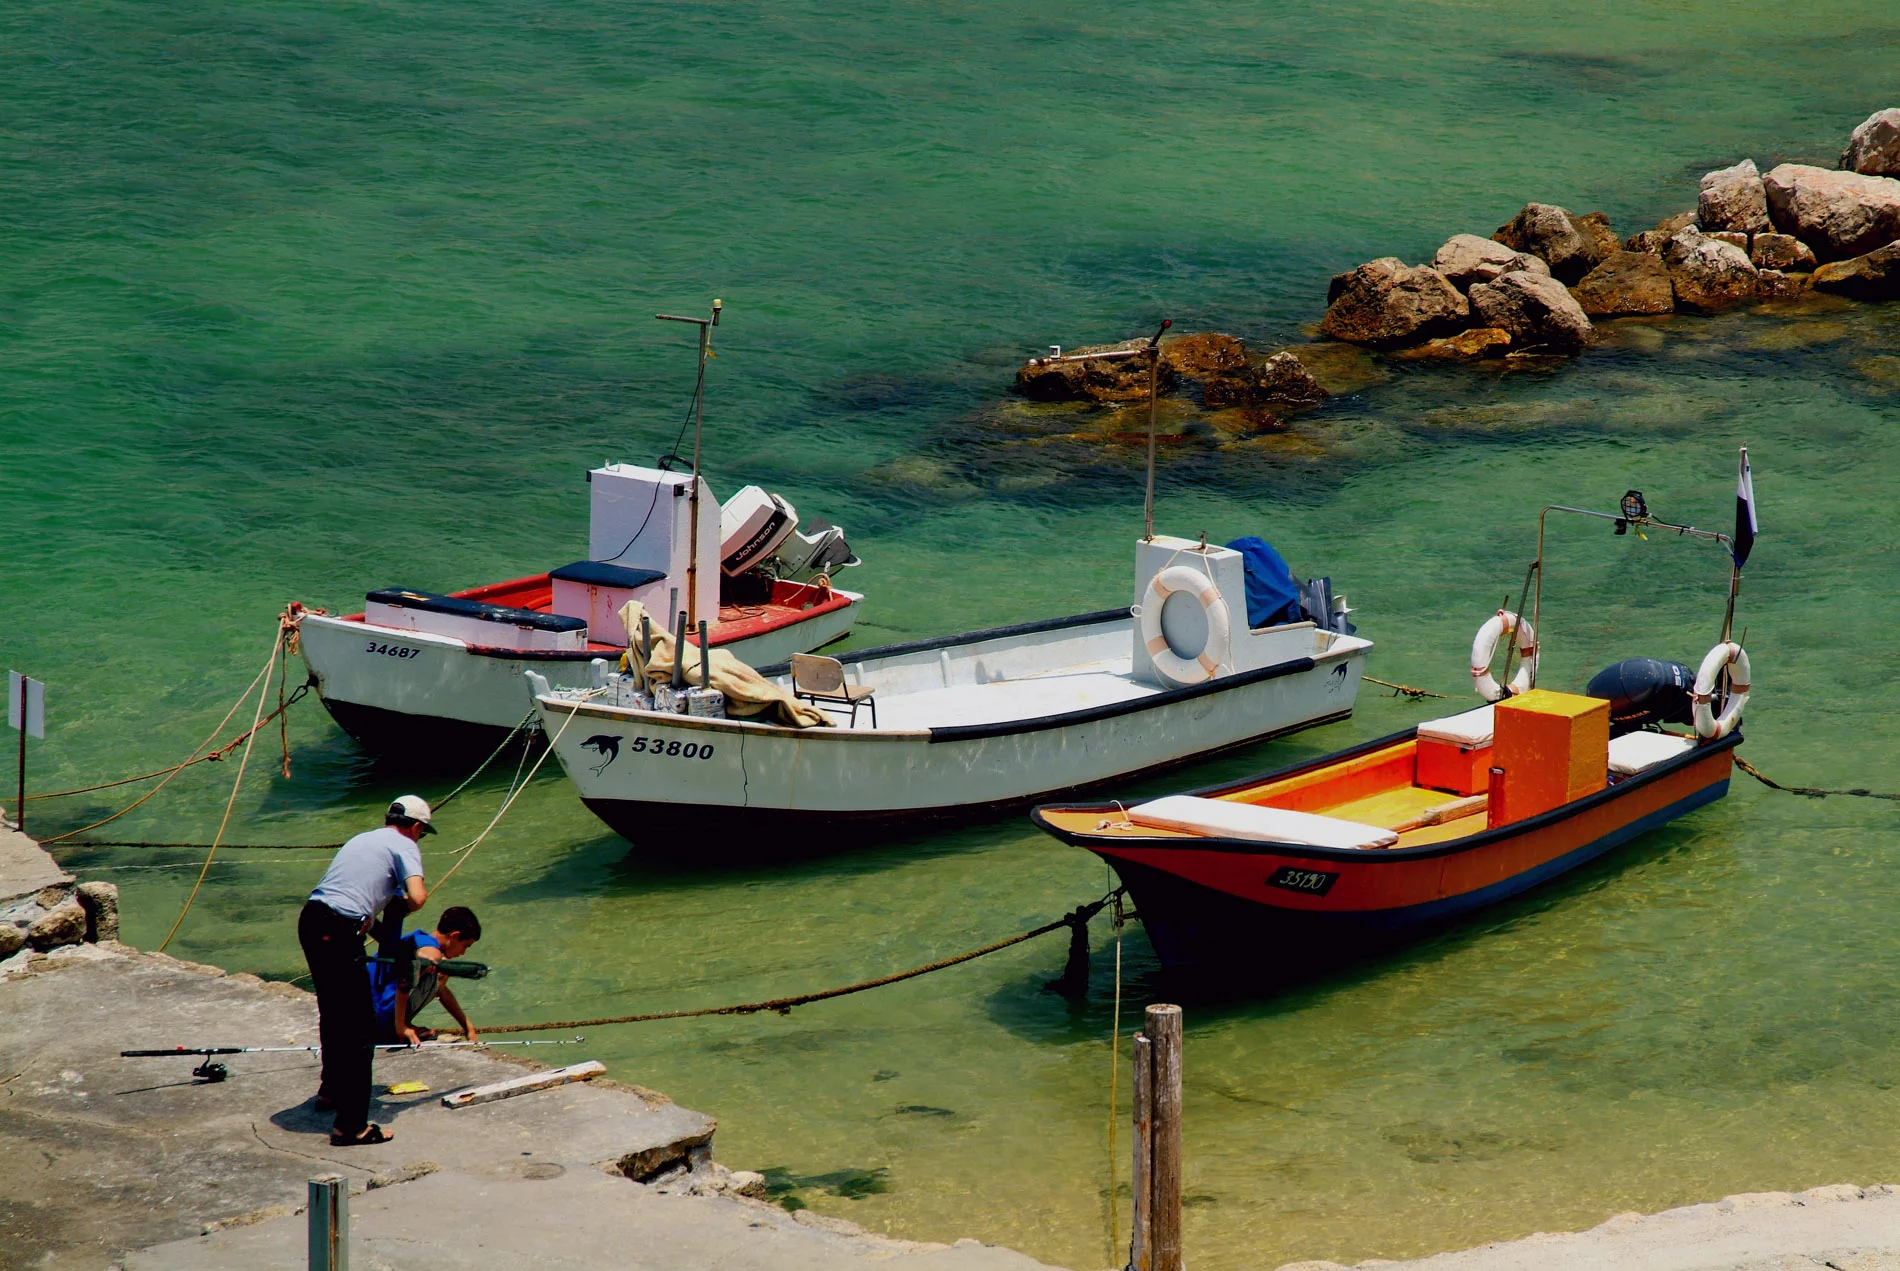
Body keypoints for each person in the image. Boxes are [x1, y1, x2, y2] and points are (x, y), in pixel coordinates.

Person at [298, 794, 433, 1146]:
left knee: (333, 1013)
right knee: (361, 1028)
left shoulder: (362, 839)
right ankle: (352, 1126)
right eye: (422, 832)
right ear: (415, 827)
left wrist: (382, 922)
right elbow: (418, 898)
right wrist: (401, 906)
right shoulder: (405, 845)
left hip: (312, 920)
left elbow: (355, 900)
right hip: (338, 930)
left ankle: (330, 1092)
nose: (419, 839)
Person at [370, 906, 482, 1045]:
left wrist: (468, 1027)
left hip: (371, 1013)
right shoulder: (431, 950)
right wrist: (400, 1027)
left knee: (438, 971)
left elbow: (442, 992)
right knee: (438, 968)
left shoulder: (419, 938)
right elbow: (405, 980)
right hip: (376, 1019)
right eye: (466, 946)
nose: (463, 953)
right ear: (454, 936)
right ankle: (397, 1028)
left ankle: (400, 1025)